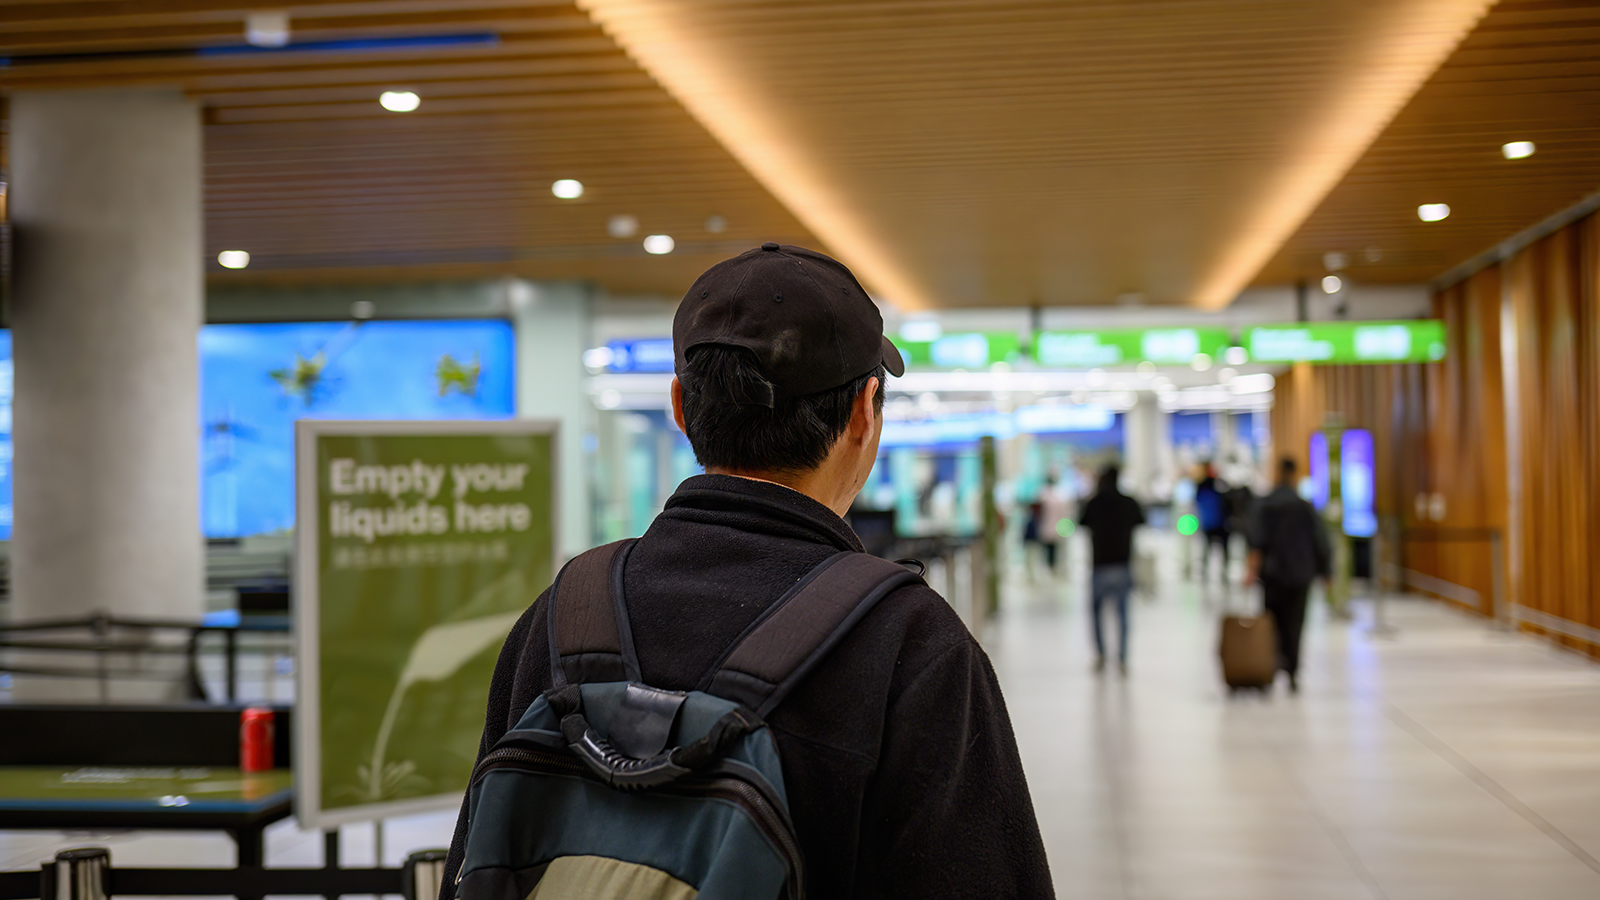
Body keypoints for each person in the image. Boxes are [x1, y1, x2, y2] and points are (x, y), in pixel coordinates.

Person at [441, 243, 1054, 898]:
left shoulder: (564, 612)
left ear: (680, 407)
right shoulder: (911, 644)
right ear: (863, 412)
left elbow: (475, 865)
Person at [1244, 457, 1331, 694]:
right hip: (1300, 574)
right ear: (1294, 475)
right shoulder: (1305, 508)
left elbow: (1257, 541)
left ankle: (1272, 665)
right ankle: (1292, 670)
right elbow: (1321, 542)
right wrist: (1326, 572)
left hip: (1272, 574)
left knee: (1271, 622)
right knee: (1295, 623)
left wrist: (1251, 571)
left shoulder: (1265, 505)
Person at [1077, 465, 1145, 674]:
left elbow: (1081, 522)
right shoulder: (1128, 502)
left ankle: (1101, 654)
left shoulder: (1094, 502)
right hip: (1122, 564)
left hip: (1099, 565)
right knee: (1122, 614)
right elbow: (1141, 520)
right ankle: (1122, 656)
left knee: (1096, 613)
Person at [1195, 462, 1231, 581]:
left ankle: (1214, 571)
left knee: (1209, 548)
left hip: (1212, 522)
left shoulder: (1203, 486)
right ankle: (1217, 572)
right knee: (1212, 548)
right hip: (1215, 521)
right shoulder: (1213, 485)